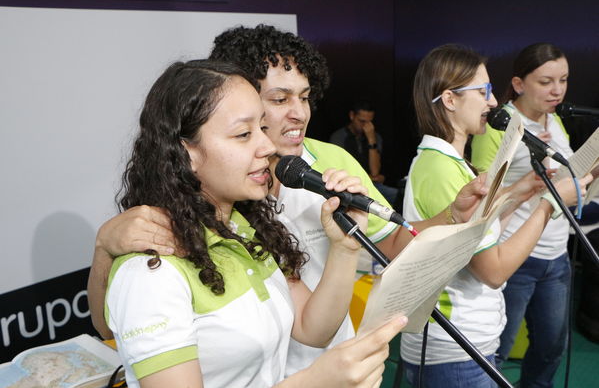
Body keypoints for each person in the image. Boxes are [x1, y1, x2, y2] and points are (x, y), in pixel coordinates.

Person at [88, 25, 489, 377]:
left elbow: (316, 322)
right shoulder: (161, 248)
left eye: (305, 96)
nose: (299, 113)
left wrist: (445, 216)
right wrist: (105, 248)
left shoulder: (253, 218)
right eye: (278, 101)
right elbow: (114, 326)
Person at [105, 58, 409, 388]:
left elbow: (313, 328)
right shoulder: (151, 269)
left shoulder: (246, 229)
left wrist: (344, 248)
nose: (266, 146)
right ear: (186, 153)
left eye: (262, 128)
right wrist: (315, 382)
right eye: (243, 134)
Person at [401, 44, 590, 388]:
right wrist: (548, 204)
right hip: (455, 351)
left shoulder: (450, 164)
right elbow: (493, 269)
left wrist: (518, 193)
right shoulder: (441, 169)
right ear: (450, 99)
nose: (492, 102)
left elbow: (477, 234)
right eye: (483, 91)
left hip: (465, 346)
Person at [471, 43, 577, 388]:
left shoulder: (556, 119)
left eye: (562, 80)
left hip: (556, 256)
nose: (557, 90)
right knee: (496, 353)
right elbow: (479, 200)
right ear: (518, 84)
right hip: (513, 256)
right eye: (546, 81)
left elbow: (568, 177)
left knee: (550, 349)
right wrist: (525, 183)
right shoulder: (497, 126)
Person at [330, 100, 399, 205]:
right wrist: (370, 178)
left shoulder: (375, 137)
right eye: (362, 121)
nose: (366, 126)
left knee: (399, 196)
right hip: (349, 186)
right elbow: (339, 173)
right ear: (352, 116)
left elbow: (375, 171)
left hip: (373, 185)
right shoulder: (339, 137)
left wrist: (371, 140)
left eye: (369, 122)